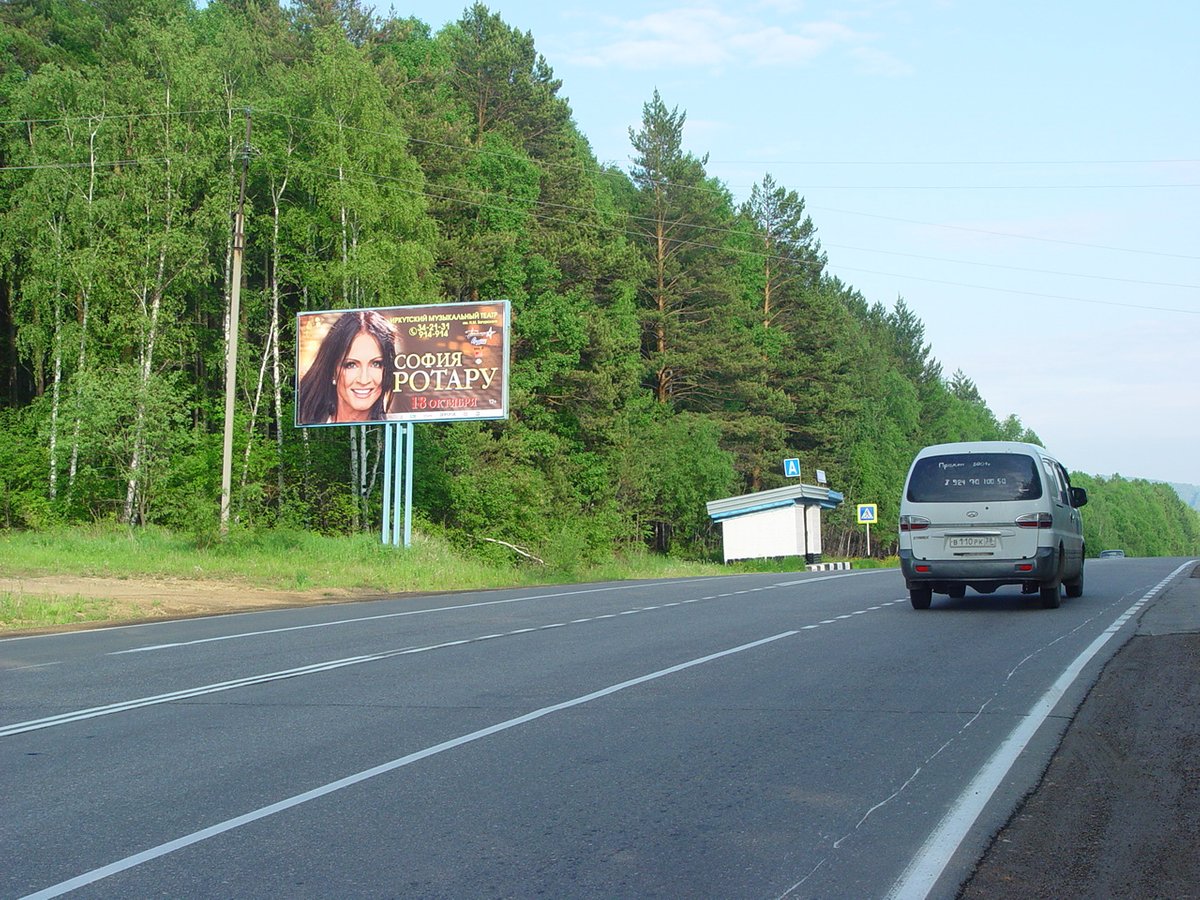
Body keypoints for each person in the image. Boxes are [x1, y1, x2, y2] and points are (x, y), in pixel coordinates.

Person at [297, 310, 398, 424]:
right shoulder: (306, 423)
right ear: (332, 371)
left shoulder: (394, 426)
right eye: (351, 365)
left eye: (376, 364)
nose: (364, 380)